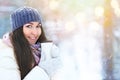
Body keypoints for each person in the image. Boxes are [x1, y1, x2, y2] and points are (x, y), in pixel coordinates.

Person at [0, 6, 61, 80]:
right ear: (18, 30)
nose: (35, 32)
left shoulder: (38, 52)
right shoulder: (6, 54)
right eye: (29, 26)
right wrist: (43, 70)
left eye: (38, 26)